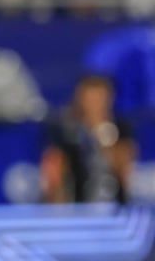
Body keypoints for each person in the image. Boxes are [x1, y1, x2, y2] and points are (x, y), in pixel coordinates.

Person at [42, 74, 138, 204]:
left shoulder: (121, 129)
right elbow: (55, 171)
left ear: (110, 97)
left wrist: (104, 139)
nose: (95, 102)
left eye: (100, 96)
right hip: (78, 205)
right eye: (90, 96)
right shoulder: (66, 131)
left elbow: (125, 172)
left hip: (115, 204)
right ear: (80, 97)